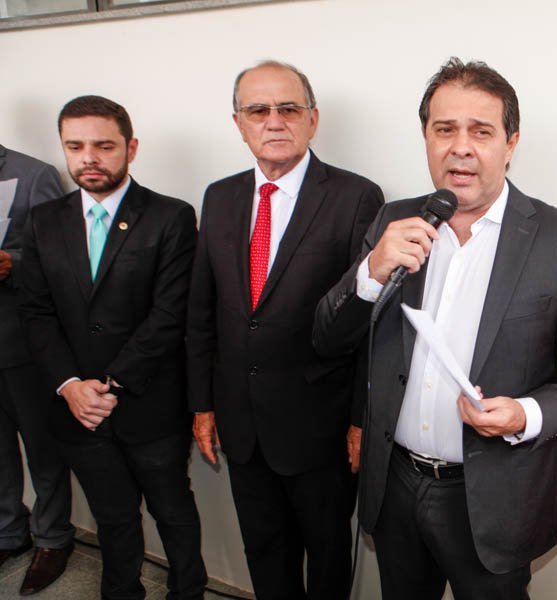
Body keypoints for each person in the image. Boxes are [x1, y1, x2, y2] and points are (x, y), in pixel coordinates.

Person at [313, 57, 557, 599]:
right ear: (426, 138)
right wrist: (370, 273)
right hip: (395, 485)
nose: (461, 147)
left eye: (481, 131)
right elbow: (329, 337)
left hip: (494, 499)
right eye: (444, 129)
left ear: (510, 142)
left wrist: (526, 414)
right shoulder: (393, 220)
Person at [185, 60, 383, 599]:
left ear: (312, 119)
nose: (274, 121)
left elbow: (369, 321)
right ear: (239, 123)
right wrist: (203, 404)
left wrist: (361, 420)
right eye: (258, 110)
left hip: (320, 427)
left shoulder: (356, 197)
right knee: (264, 551)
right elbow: (202, 311)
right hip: (241, 423)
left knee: (327, 553)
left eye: (289, 108)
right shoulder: (219, 197)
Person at [17, 96, 207, 599]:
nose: (89, 158)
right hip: (77, 408)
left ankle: (187, 591)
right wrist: (70, 386)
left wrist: (111, 383)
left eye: (104, 145)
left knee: (173, 512)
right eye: (75, 146)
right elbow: (36, 312)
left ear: (131, 147)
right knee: (113, 518)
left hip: (150, 402)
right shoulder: (43, 220)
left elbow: (170, 314)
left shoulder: (170, 216)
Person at [0, 144, 74, 595]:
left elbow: (63, 253)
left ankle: (53, 538)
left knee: (42, 448)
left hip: (22, 342)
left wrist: (13, 262)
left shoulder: (34, 174)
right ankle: (8, 531)